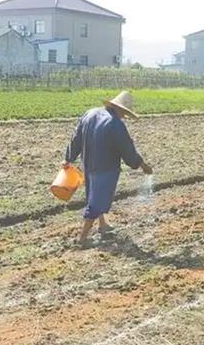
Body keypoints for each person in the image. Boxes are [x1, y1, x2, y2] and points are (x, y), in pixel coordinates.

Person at [62, 91, 153, 247]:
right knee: (97, 200)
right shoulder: (115, 124)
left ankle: (102, 225)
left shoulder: (89, 114)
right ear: (120, 109)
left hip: (88, 164)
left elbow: (76, 136)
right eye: (124, 113)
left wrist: (69, 157)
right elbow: (127, 150)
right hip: (105, 167)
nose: (123, 116)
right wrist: (142, 165)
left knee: (93, 195)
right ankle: (83, 239)